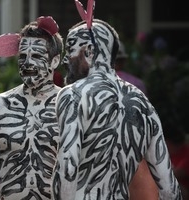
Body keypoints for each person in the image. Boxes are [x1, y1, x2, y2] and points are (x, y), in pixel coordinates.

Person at [51, 1, 182, 199]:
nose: (65, 60)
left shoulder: (73, 95)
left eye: (70, 51)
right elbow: (168, 183)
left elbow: (67, 168)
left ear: (88, 52)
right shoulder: (142, 102)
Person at [0, 16, 63, 200]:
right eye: (23, 56)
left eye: (37, 56)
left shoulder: (70, 106)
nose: (28, 63)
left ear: (54, 61)